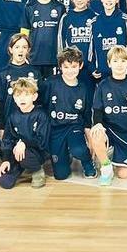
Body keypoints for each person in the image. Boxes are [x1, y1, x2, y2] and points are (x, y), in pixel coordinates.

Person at [87, 46, 127, 185]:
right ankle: (106, 166)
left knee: (123, 175)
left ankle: (118, 157)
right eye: (115, 61)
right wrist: (98, 124)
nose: (119, 65)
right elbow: (97, 110)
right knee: (96, 133)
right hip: (109, 130)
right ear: (109, 64)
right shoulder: (103, 85)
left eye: (123, 61)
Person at [46, 47, 97, 180]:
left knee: (79, 150)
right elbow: (42, 106)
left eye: (74, 66)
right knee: (61, 175)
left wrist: (90, 141)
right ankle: (65, 154)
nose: (70, 71)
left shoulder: (84, 88)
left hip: (74, 127)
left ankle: (87, 162)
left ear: (80, 66)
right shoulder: (50, 83)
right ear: (60, 67)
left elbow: (86, 116)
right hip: (55, 129)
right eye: (66, 67)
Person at [0, 77, 50, 189]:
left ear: (34, 96)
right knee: (4, 181)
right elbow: (7, 140)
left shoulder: (41, 115)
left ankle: (37, 170)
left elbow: (42, 141)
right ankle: (21, 167)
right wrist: (6, 160)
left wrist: (24, 143)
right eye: (18, 95)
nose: (22, 98)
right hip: (17, 152)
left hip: (37, 152)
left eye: (26, 95)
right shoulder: (13, 116)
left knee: (25, 156)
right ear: (14, 98)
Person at [20, 0, 65, 80]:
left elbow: (64, 33)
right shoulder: (29, 7)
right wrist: (24, 52)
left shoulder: (60, 7)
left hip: (54, 58)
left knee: (52, 88)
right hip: (34, 58)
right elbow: (24, 33)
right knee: (35, 87)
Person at [0, 34, 40, 128]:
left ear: (28, 50)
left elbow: (40, 100)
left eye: (24, 47)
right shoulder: (2, 73)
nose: (21, 50)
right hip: (9, 124)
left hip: (30, 123)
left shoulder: (35, 72)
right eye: (17, 47)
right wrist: (1, 127)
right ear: (11, 49)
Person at [88, 0, 127, 83]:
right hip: (102, 71)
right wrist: (92, 67)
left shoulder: (124, 18)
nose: (109, 0)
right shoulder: (95, 21)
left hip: (121, 71)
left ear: (117, 0)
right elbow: (91, 47)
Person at [57, 0, 96, 65]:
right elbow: (61, 42)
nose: (79, 0)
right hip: (71, 64)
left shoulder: (95, 17)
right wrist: (63, 62)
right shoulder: (66, 17)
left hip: (90, 65)